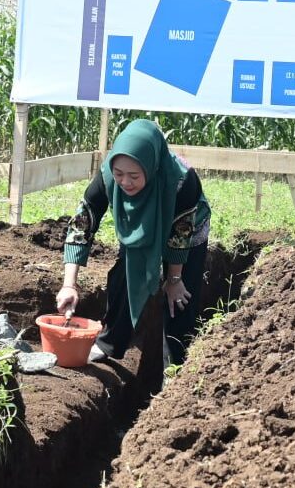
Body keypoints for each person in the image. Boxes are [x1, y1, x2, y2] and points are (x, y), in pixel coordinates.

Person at [57, 119, 212, 367]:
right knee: (124, 277)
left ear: (151, 168)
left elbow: (180, 235)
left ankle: (176, 364)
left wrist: (173, 280)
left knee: (180, 299)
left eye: (133, 176)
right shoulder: (108, 175)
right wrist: (69, 285)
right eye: (120, 174)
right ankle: (110, 343)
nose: (125, 182)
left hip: (188, 231)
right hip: (139, 226)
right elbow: (83, 223)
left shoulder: (182, 180)